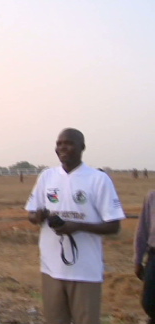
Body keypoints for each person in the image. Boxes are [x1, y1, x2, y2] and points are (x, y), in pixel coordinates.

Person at [25, 128, 125, 324]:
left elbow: (114, 226)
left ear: (82, 147)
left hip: (85, 271)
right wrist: (37, 216)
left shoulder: (98, 179)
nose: (62, 147)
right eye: (59, 143)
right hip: (51, 269)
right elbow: (31, 214)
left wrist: (77, 226)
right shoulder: (47, 176)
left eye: (68, 143)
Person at [134, 191, 155, 324]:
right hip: (154, 255)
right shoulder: (151, 197)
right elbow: (142, 229)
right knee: (149, 301)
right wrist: (138, 259)